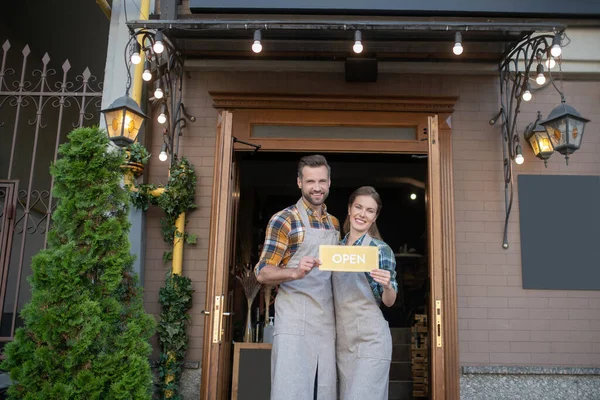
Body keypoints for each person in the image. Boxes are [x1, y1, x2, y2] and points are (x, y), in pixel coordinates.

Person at [255, 154, 340, 400]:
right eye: (311, 181)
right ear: (299, 182)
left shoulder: (334, 224)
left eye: (322, 181)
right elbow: (262, 272)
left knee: (324, 391)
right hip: (294, 320)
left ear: (329, 183)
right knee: (290, 391)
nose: (317, 187)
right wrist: (295, 272)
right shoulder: (285, 220)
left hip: (326, 321)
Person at [333, 186, 398, 400]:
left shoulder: (380, 250)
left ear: (375, 217)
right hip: (343, 342)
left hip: (371, 341)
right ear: (350, 209)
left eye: (370, 210)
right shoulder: (335, 250)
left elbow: (389, 302)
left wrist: (388, 285)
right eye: (358, 207)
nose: (362, 214)